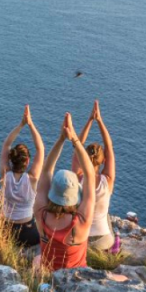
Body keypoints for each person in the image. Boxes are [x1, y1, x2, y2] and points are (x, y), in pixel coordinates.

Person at [34, 113, 97, 271]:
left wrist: (61, 139)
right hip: (75, 282)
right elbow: (89, 173)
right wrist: (74, 138)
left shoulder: (41, 214)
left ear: (53, 191)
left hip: (48, 277)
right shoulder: (82, 222)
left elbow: (47, 170)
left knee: (36, 259)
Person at [71, 100, 117, 252]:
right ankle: (113, 249)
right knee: (107, 217)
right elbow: (109, 146)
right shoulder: (107, 181)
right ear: (103, 160)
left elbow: (77, 144)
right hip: (104, 241)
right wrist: (99, 121)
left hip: (81, 238)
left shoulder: (78, 178)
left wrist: (90, 120)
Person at [0, 105, 45, 247]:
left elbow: (6, 144)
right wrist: (30, 124)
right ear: (27, 161)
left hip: (5, 231)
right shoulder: (32, 179)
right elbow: (40, 149)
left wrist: (21, 124)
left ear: (11, 159)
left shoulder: (5, 175)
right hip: (28, 232)